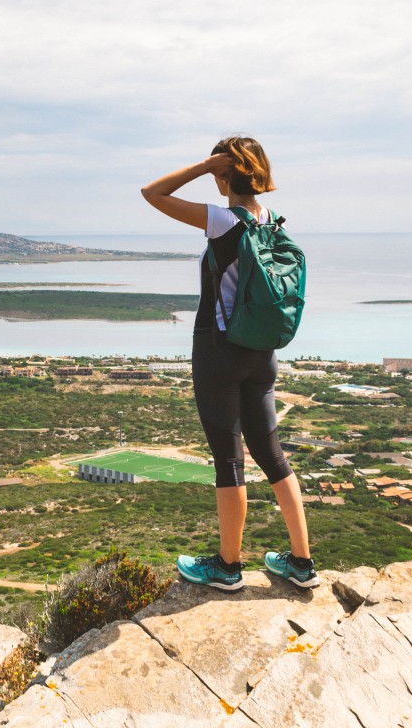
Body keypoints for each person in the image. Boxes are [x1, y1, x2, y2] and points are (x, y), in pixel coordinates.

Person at [140, 136, 317, 591]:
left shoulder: (222, 220)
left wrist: (202, 165)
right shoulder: (272, 221)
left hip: (219, 351)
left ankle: (228, 566)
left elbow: (152, 193)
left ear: (225, 174)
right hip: (263, 353)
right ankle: (301, 561)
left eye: (219, 171)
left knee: (228, 460)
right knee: (273, 456)